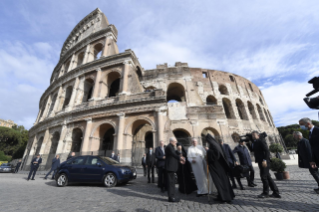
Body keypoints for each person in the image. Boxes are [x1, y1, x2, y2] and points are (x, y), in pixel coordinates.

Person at [249, 131, 280, 198]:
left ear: (258, 135)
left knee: (263, 177)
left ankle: (266, 193)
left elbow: (267, 151)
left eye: (254, 135)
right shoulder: (254, 142)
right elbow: (252, 150)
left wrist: (265, 160)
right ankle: (276, 192)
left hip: (264, 162)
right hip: (260, 161)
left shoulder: (260, 141)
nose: (253, 136)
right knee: (267, 176)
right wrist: (248, 144)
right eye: (252, 135)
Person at [206, 134, 235, 203]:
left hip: (217, 168)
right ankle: (221, 196)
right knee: (222, 183)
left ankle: (225, 198)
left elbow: (216, 155)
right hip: (221, 167)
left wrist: (208, 151)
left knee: (220, 183)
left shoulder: (213, 145)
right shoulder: (216, 144)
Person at [165, 137, 185, 202]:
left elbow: (176, 154)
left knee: (172, 182)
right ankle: (171, 197)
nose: (176, 143)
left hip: (172, 167)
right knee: (170, 183)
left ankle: (172, 196)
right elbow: (173, 154)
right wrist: (180, 159)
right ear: (171, 141)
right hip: (170, 168)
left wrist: (180, 156)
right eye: (175, 141)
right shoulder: (169, 147)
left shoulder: (172, 147)